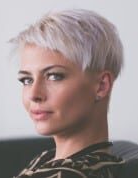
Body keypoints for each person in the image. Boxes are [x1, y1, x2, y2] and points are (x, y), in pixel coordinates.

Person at [10, 9, 125, 178]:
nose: (34, 94)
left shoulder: (71, 173)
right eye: (27, 80)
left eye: (54, 76)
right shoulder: (48, 159)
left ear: (101, 85)